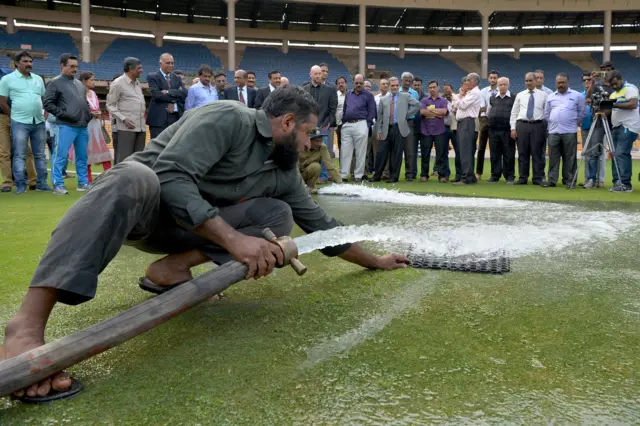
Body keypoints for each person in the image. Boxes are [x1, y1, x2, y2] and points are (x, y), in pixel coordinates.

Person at [0, 85, 409, 400]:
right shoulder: (227, 118)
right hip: (140, 209)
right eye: (307, 134)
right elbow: (171, 178)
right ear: (286, 123)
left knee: (278, 215)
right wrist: (234, 241)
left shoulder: (284, 173)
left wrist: (376, 262)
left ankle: (171, 268)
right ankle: (26, 325)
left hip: (186, 231)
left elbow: (323, 228)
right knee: (133, 176)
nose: (310, 145)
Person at [0, 50, 50, 194]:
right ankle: (20, 185)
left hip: (38, 122)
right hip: (19, 122)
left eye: (30, 62)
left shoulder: (38, 79)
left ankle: (41, 183)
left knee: (40, 155)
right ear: (17, 63)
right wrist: (13, 116)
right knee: (19, 155)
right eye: (25, 62)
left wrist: (45, 115)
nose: (29, 64)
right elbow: (2, 101)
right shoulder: (7, 79)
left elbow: (43, 99)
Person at [44, 53, 92, 195]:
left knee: (82, 156)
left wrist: (87, 115)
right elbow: (47, 103)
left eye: (76, 67)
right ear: (63, 66)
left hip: (82, 126)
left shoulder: (79, 84)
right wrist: (65, 115)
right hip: (65, 125)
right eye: (71, 66)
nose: (75, 69)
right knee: (60, 155)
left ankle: (82, 183)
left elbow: (84, 103)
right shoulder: (55, 82)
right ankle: (58, 185)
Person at [373, 77, 421, 183]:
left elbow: (418, 105)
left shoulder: (405, 96)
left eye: (396, 85)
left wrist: (406, 114)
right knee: (381, 153)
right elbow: (379, 117)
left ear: (398, 85)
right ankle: (377, 175)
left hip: (399, 128)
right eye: (392, 85)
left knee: (397, 153)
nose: (394, 87)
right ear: (389, 86)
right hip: (386, 129)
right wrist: (379, 131)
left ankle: (394, 177)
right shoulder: (383, 99)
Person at [543, 73, 586, 188]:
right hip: (553, 132)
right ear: (556, 83)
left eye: (563, 82)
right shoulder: (551, 96)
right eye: (558, 82)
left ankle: (569, 181)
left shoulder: (577, 96)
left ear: (568, 83)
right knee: (553, 157)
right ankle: (552, 180)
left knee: (570, 158)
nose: (560, 84)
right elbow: (547, 114)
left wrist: (571, 121)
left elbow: (581, 113)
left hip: (569, 132)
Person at [510, 72, 548, 185]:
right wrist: (513, 128)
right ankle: (523, 177)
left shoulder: (544, 95)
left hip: (538, 125)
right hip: (522, 125)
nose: (528, 83)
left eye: (530, 80)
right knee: (522, 152)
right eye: (526, 81)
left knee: (538, 153)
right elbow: (514, 112)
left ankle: (538, 177)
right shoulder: (520, 95)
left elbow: (547, 112)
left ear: (536, 81)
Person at [107, 57, 147, 163]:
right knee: (124, 160)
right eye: (139, 68)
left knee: (138, 160)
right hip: (126, 128)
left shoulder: (138, 84)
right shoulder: (118, 83)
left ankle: (135, 180)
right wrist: (124, 119)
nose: (141, 70)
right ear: (130, 69)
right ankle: (120, 180)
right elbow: (110, 105)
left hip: (141, 128)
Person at [302, 66, 337, 183]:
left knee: (323, 152)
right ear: (310, 74)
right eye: (315, 74)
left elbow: (333, 109)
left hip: (323, 125)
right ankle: (307, 175)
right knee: (306, 151)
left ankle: (323, 177)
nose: (318, 76)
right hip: (307, 127)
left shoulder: (330, 90)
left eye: (319, 73)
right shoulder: (303, 89)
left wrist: (328, 122)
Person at [607, 71, 640, 192]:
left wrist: (614, 105)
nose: (613, 86)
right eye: (611, 85)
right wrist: (602, 108)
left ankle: (625, 183)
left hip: (628, 126)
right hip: (616, 126)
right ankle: (617, 182)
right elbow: (609, 111)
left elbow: (633, 104)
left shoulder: (630, 88)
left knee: (621, 153)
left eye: (615, 83)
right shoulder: (613, 94)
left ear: (620, 79)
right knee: (615, 154)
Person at [77, 71, 113, 183]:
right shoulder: (78, 93)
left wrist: (97, 113)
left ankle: (109, 176)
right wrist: (91, 113)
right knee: (85, 152)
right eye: (91, 80)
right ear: (84, 81)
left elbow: (95, 107)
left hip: (96, 126)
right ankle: (88, 179)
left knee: (104, 151)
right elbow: (78, 110)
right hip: (85, 125)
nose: (94, 82)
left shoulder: (93, 93)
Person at [340, 74, 376, 182]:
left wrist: (367, 125)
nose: (359, 85)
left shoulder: (368, 95)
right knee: (345, 151)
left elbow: (372, 111)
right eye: (357, 83)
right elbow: (345, 108)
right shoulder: (348, 94)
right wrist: (343, 121)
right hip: (347, 124)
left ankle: (358, 176)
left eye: (361, 83)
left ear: (363, 83)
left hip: (361, 123)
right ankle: (344, 175)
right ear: (353, 82)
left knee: (361, 152)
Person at [146, 53, 188, 139]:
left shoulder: (177, 78)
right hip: (158, 120)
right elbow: (157, 95)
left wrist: (168, 92)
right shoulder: (152, 77)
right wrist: (176, 94)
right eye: (168, 63)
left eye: (172, 63)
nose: (171, 65)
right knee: (157, 149)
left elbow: (184, 94)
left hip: (176, 118)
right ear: (160, 63)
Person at [452, 73, 482, 185]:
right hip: (462, 122)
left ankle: (466, 178)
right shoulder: (469, 93)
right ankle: (470, 176)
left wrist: (457, 95)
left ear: (474, 81)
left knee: (466, 151)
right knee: (464, 150)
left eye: (468, 80)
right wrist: (460, 96)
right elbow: (455, 107)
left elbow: (462, 105)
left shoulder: (475, 93)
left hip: (467, 122)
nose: (466, 82)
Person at [486, 77, 516, 183]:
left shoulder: (514, 97)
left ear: (508, 85)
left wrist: (514, 128)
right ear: (497, 86)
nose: (502, 86)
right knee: (494, 154)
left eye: (504, 84)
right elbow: (488, 111)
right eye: (500, 84)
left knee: (508, 154)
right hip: (493, 130)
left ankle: (510, 176)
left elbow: (515, 113)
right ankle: (495, 175)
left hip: (507, 131)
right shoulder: (492, 98)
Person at [419, 80, 449, 182]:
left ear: (438, 88)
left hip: (440, 131)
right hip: (425, 131)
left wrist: (431, 111)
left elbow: (444, 112)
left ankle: (442, 175)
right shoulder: (424, 100)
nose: (432, 89)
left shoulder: (443, 100)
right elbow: (423, 112)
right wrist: (438, 113)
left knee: (440, 154)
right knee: (425, 154)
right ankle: (424, 175)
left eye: (434, 87)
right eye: (430, 87)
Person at [298, 128, 342, 193]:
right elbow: (294, 169)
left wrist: (340, 183)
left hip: (306, 173)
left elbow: (330, 165)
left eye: (321, 141)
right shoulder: (298, 146)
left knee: (316, 166)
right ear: (308, 140)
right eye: (317, 141)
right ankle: (301, 188)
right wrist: (302, 185)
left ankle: (311, 188)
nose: (319, 143)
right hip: (294, 175)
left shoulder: (322, 147)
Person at [477, 70, 500, 180]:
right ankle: (478, 172)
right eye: (491, 78)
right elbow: (482, 107)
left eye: (495, 78)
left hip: (497, 123)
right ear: (488, 78)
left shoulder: (501, 90)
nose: (492, 80)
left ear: (498, 79)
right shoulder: (483, 91)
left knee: (495, 149)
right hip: (485, 122)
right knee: (481, 148)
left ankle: (494, 174)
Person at [399, 72, 420, 181]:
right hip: (398, 123)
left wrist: (407, 113)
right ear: (401, 80)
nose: (407, 82)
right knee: (397, 149)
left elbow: (416, 107)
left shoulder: (414, 93)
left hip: (409, 122)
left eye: (409, 80)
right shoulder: (396, 92)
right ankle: (395, 174)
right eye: (405, 80)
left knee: (410, 149)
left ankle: (410, 174)